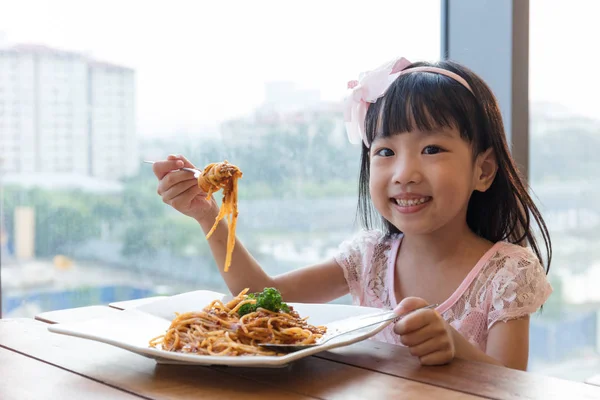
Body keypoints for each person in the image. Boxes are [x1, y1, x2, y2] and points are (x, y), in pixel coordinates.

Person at [152, 56, 552, 370]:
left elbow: (510, 385)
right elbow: (259, 298)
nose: (404, 173)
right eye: (385, 152)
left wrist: (456, 347)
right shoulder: (369, 257)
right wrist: (209, 216)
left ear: (482, 171)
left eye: (431, 149)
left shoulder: (507, 273)